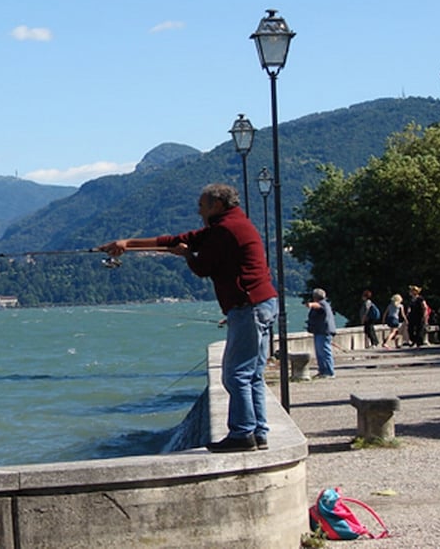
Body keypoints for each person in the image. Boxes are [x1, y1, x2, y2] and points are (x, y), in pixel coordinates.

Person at [98, 183, 277, 453]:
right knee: (252, 374)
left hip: (248, 305)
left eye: (202, 205)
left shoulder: (225, 230)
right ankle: (258, 432)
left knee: (235, 375)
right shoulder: (233, 224)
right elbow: (177, 239)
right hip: (261, 303)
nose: (198, 210)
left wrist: (187, 255)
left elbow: (202, 266)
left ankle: (242, 434)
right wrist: (127, 244)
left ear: (217, 205)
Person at [305, 288, 337, 378]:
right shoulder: (325, 304)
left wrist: (310, 304)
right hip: (319, 331)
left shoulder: (323, 304)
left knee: (325, 352)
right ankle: (322, 370)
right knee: (320, 353)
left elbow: (318, 306)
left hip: (323, 332)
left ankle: (329, 372)